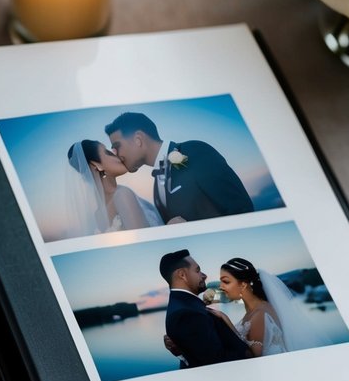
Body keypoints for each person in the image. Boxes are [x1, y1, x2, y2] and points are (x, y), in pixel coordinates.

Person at [105, 111, 254, 224]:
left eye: (117, 146)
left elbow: (241, 209)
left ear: (138, 139)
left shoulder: (196, 151)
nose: (115, 153)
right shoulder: (157, 183)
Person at [160, 248, 250, 368]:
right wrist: (248, 353)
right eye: (198, 271)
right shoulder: (186, 314)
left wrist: (182, 353)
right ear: (182, 275)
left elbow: (200, 355)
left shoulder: (185, 305)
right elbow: (218, 363)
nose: (204, 275)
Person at [213, 257, 317, 355]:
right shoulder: (253, 310)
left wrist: (226, 320)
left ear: (243, 285)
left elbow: (255, 355)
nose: (220, 286)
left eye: (226, 281)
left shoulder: (261, 313)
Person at [64, 140, 162, 236]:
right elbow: (144, 242)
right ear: (96, 165)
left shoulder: (97, 215)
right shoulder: (122, 195)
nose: (117, 155)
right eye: (107, 152)